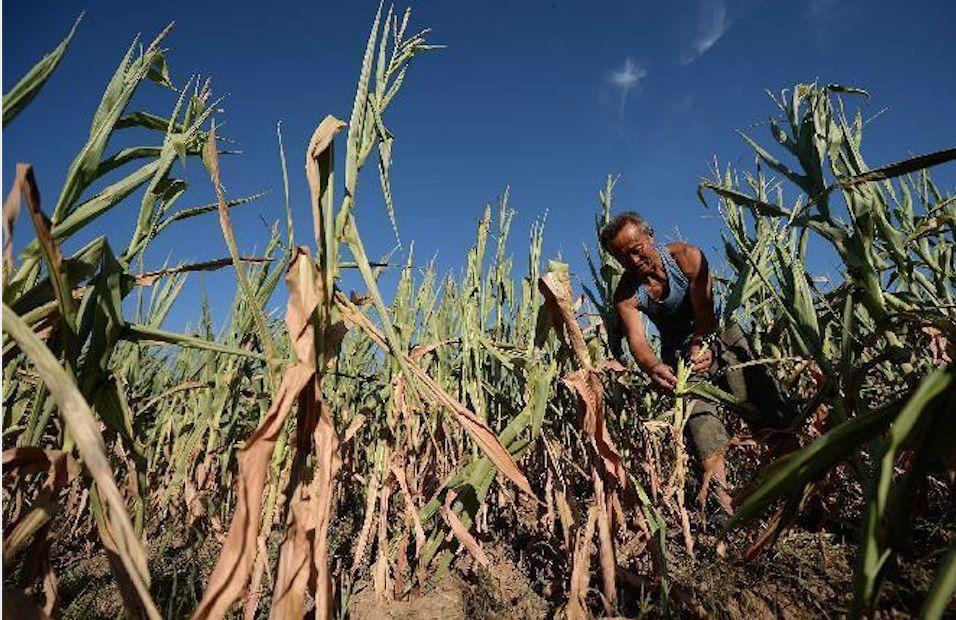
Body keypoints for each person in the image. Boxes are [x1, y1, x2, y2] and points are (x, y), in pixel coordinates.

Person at [599, 211, 792, 512]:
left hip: (718, 335)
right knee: (702, 425)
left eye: (637, 250)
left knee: (764, 406)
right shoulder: (626, 295)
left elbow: (705, 314)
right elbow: (637, 342)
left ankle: (803, 483)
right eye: (624, 258)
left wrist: (701, 343)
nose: (634, 261)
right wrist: (653, 367)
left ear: (650, 237)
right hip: (678, 355)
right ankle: (724, 510)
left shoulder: (687, 257)